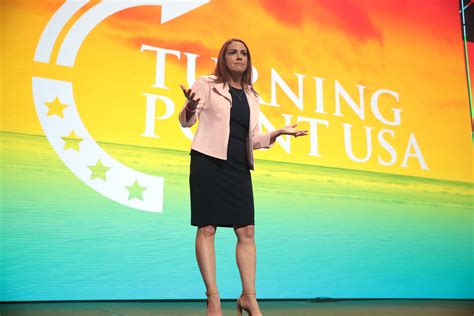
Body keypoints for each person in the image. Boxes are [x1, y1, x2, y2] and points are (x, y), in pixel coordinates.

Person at [179, 38, 308, 316]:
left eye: (244, 54)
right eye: (233, 52)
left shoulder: (252, 95)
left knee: (247, 231)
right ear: (222, 58)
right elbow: (186, 121)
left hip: (238, 165)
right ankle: (213, 298)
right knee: (207, 228)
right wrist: (189, 107)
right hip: (208, 161)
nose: (239, 57)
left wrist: (277, 133)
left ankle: (249, 298)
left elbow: (252, 138)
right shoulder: (207, 84)